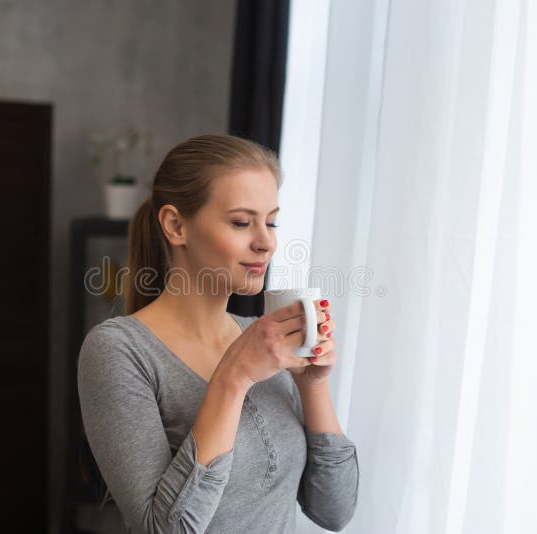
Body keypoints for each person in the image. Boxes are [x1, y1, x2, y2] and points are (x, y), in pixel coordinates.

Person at [77, 134, 359, 533]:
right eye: (242, 222)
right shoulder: (119, 351)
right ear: (176, 225)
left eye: (271, 221)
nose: (266, 242)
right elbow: (164, 529)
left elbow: (335, 511)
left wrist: (312, 385)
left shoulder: (264, 344)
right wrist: (234, 377)